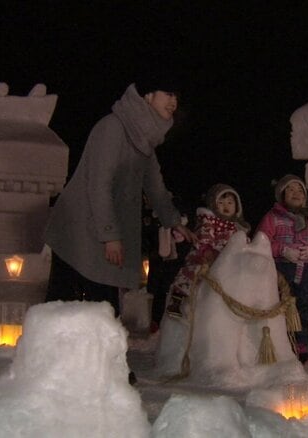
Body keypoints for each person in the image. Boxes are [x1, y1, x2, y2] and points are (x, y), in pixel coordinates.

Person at [44, 70, 196, 318]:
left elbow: (155, 186)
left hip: (101, 229)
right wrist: (110, 236)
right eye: (168, 94)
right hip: (78, 229)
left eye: (176, 97)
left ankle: (97, 340)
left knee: (102, 304)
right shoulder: (113, 127)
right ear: (148, 96)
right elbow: (98, 184)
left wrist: (174, 222)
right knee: (67, 303)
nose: (174, 102)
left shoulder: (143, 137)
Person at [256, 175, 308, 364]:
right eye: (291, 189)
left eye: (300, 190)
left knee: (303, 308)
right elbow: (261, 242)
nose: (296, 193)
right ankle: (280, 346)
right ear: (282, 194)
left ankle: (300, 348)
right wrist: (282, 250)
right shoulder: (273, 218)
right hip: (281, 270)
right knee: (280, 307)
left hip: (305, 272)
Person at [166, 183, 251, 318]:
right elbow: (204, 237)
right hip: (204, 256)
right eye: (221, 203)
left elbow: (243, 243)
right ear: (213, 204)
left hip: (228, 261)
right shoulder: (209, 220)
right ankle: (177, 299)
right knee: (192, 273)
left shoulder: (237, 228)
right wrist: (206, 250)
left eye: (230, 203)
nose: (226, 206)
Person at [145, 196, 192, 333]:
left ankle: (171, 323)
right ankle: (156, 321)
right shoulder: (155, 222)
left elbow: (188, 246)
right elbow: (149, 240)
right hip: (158, 264)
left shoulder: (185, 227)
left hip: (176, 268)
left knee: (173, 293)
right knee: (157, 293)